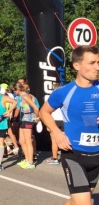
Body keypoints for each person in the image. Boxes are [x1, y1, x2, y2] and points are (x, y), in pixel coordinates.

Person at [40, 45, 99, 205]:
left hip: (96, 156)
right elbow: (43, 112)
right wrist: (57, 133)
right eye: (92, 63)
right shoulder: (64, 92)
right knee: (85, 203)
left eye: (98, 62)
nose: (97, 67)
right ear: (77, 66)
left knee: (76, 200)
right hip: (74, 155)